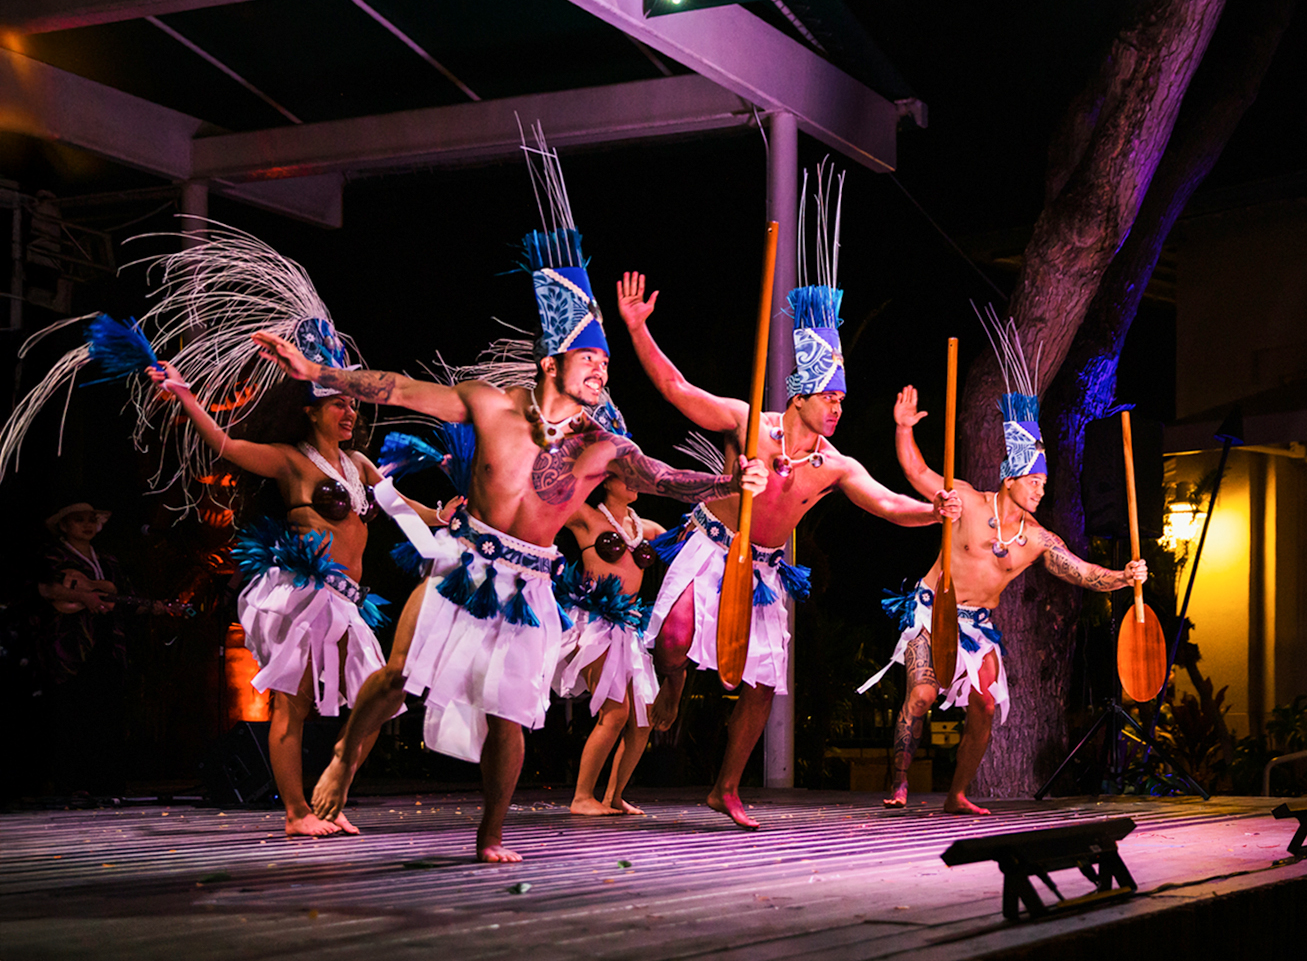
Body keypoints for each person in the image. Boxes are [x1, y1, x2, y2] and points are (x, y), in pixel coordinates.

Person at [262, 186, 765, 862]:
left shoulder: (600, 445)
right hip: (464, 565)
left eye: (607, 363)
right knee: (399, 674)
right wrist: (320, 370)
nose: (601, 371)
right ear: (550, 363)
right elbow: (402, 388)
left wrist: (731, 480)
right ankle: (345, 760)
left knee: (510, 714)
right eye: (591, 360)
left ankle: (490, 835)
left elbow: (663, 479)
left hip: (529, 585)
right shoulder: (490, 408)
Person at [617, 259, 961, 830]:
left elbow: (888, 504)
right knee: (674, 642)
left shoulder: (833, 465)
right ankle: (672, 685)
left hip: (767, 570)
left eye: (842, 400)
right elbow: (678, 390)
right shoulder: (750, 422)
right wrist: (636, 328)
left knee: (761, 682)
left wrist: (934, 511)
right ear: (799, 395)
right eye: (827, 396)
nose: (836, 407)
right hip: (712, 543)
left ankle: (724, 789)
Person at [145, 354, 447, 836]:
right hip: (303, 596)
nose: (349, 413)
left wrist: (444, 514)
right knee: (293, 704)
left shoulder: (359, 464)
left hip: (348, 601)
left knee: (381, 701)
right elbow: (226, 444)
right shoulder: (291, 461)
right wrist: (185, 395)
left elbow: (403, 511)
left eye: (353, 405)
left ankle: (329, 797)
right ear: (310, 410)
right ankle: (296, 812)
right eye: (337, 405)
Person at [860, 309, 1147, 815]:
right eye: (1033, 480)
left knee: (987, 705)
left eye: (1043, 481)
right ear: (1010, 477)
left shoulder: (1037, 538)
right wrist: (903, 429)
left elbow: (1082, 572)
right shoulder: (968, 501)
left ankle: (957, 794)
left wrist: (1124, 578)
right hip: (932, 611)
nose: (1040, 488)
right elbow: (917, 471)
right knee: (923, 694)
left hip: (980, 626)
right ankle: (900, 780)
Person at [554, 471, 666, 816]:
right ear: (606, 481)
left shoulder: (647, 528)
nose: (634, 482)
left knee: (642, 720)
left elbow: (688, 541)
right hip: (594, 625)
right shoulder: (585, 519)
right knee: (615, 713)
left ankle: (613, 796)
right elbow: (547, 503)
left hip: (628, 627)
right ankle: (581, 797)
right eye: (625, 477)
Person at [31, 503, 142, 796]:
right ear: (65, 526)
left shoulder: (107, 560)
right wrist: (85, 596)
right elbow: (47, 589)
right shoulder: (54, 555)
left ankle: (105, 783)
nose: (87, 525)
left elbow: (124, 594)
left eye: (91, 520)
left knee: (106, 711)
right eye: (79, 520)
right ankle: (72, 784)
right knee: (73, 712)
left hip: (105, 641)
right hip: (70, 642)